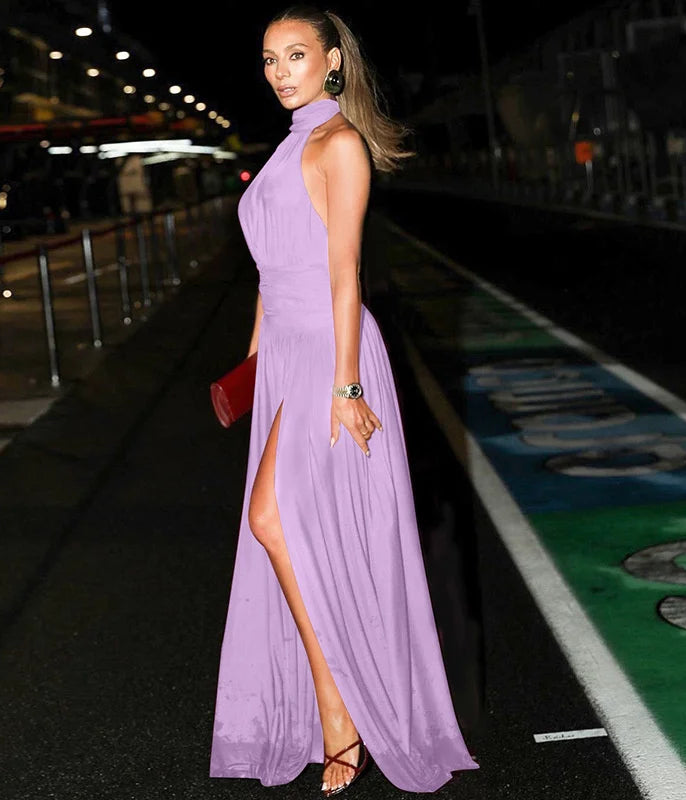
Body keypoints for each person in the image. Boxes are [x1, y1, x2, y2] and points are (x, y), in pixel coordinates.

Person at [209, 5, 479, 796]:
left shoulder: (340, 146)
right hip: (285, 354)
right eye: (268, 59)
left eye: (295, 55)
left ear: (332, 62)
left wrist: (349, 386)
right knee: (286, 527)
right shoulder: (285, 150)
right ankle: (330, 702)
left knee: (272, 521)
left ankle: (339, 709)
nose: (279, 71)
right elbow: (269, 273)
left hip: (331, 353)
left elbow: (344, 273)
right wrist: (254, 365)